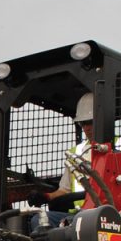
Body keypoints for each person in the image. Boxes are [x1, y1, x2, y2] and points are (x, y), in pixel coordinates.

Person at [28, 92, 95, 230]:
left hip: (111, 215)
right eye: (83, 123)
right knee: (39, 220)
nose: (86, 128)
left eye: (90, 122)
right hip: (79, 216)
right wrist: (45, 196)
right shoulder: (75, 153)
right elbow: (64, 190)